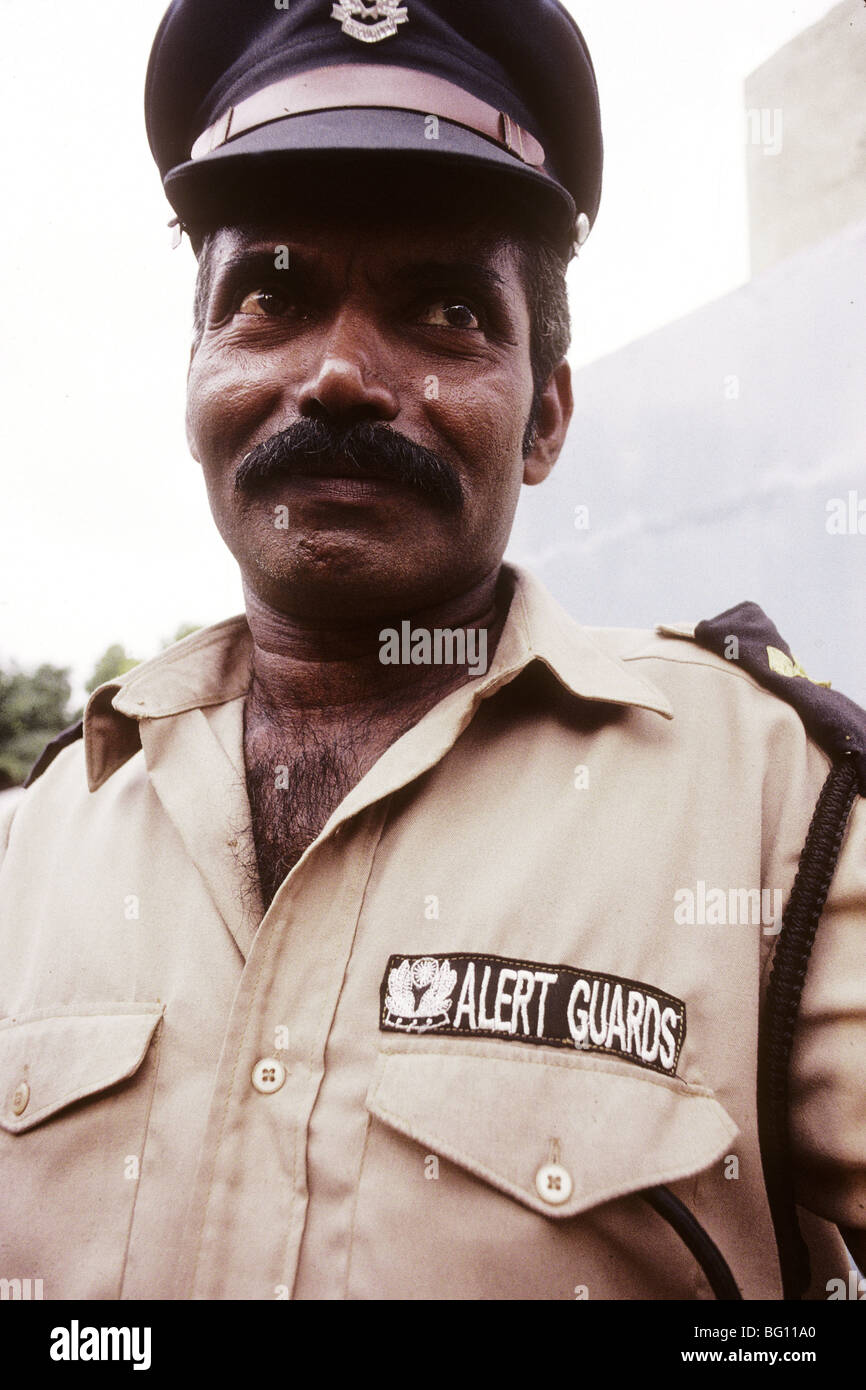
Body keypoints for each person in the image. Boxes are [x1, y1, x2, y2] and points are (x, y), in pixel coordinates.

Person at [0, 0, 864, 1302]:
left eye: (445, 311)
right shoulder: (42, 840)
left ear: (544, 420)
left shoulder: (777, 813)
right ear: (197, 371)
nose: (342, 372)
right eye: (271, 294)